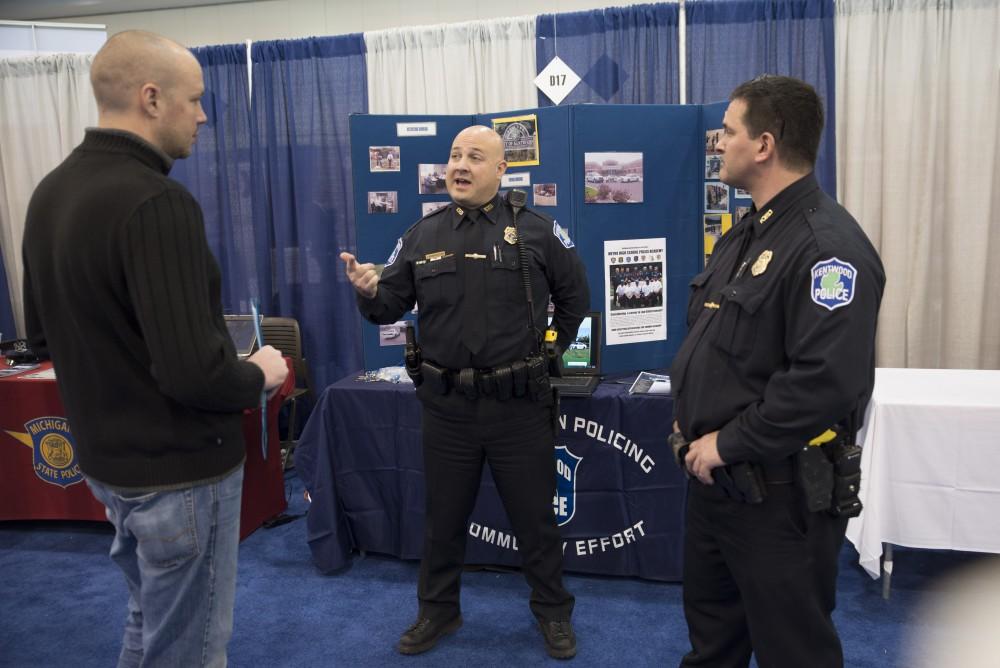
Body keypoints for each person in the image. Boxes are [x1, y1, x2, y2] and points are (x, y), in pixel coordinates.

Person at [21, 30, 288, 668]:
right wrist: (258, 373)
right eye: (193, 100)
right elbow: (195, 375)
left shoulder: (50, 191)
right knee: (191, 648)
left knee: (151, 622)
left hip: (109, 465)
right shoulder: (157, 201)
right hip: (180, 471)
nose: (201, 116)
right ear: (150, 98)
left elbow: (40, 340)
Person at [340, 125, 589, 659]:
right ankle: (438, 612)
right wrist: (367, 291)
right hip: (447, 408)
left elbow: (575, 300)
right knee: (443, 520)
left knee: (535, 521)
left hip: (518, 406)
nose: (460, 165)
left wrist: (548, 350)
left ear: (502, 170)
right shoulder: (422, 236)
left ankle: (552, 613)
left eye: (475, 156)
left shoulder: (538, 232)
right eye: (455, 155)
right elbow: (387, 305)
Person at [669, 75, 885, 668]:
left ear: (763, 145)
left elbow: (824, 382)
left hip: (780, 496)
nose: (718, 144)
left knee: (795, 650)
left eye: (728, 132)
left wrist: (728, 442)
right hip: (717, 485)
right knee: (713, 642)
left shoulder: (827, 249)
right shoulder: (746, 233)